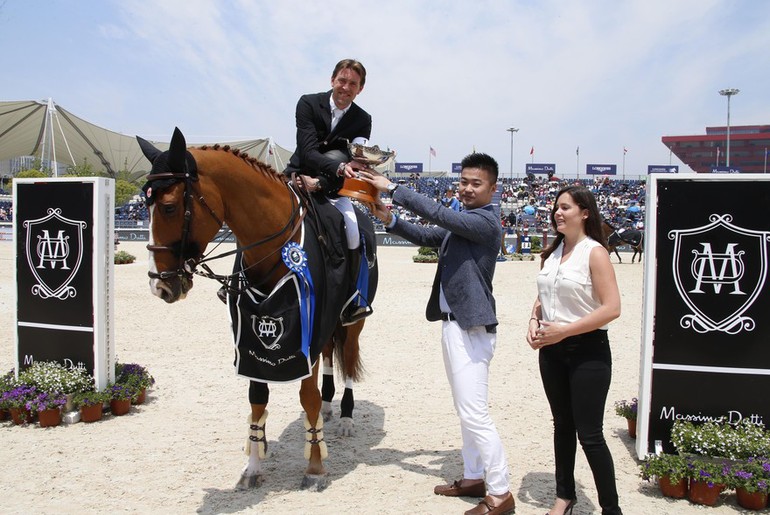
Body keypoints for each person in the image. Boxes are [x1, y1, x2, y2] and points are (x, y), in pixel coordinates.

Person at [361, 153, 515, 515]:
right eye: (463, 182)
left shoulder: (485, 222)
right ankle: (475, 476)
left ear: (493, 189)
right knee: (467, 411)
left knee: (475, 413)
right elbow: (430, 233)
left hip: (470, 327)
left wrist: (395, 189)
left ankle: (501, 493)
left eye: (476, 183)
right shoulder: (465, 223)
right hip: (454, 324)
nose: (466, 188)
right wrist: (391, 219)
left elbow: (440, 217)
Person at [526, 185, 622, 515]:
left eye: (565, 207)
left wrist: (563, 331)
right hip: (551, 353)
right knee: (562, 426)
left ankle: (611, 509)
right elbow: (545, 296)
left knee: (590, 434)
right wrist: (534, 318)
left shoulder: (594, 252)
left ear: (585, 213)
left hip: (588, 351)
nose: (558, 212)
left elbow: (612, 308)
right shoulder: (553, 252)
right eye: (556, 206)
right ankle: (564, 497)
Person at [284, 58, 373, 325]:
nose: (346, 87)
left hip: (333, 186)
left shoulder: (363, 119)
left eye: (353, 84)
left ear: (360, 89)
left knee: (354, 230)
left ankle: (352, 298)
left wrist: (325, 181)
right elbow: (309, 151)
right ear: (332, 80)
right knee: (257, 210)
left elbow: (356, 160)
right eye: (342, 81)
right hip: (298, 175)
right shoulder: (308, 103)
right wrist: (338, 166)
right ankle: (239, 281)